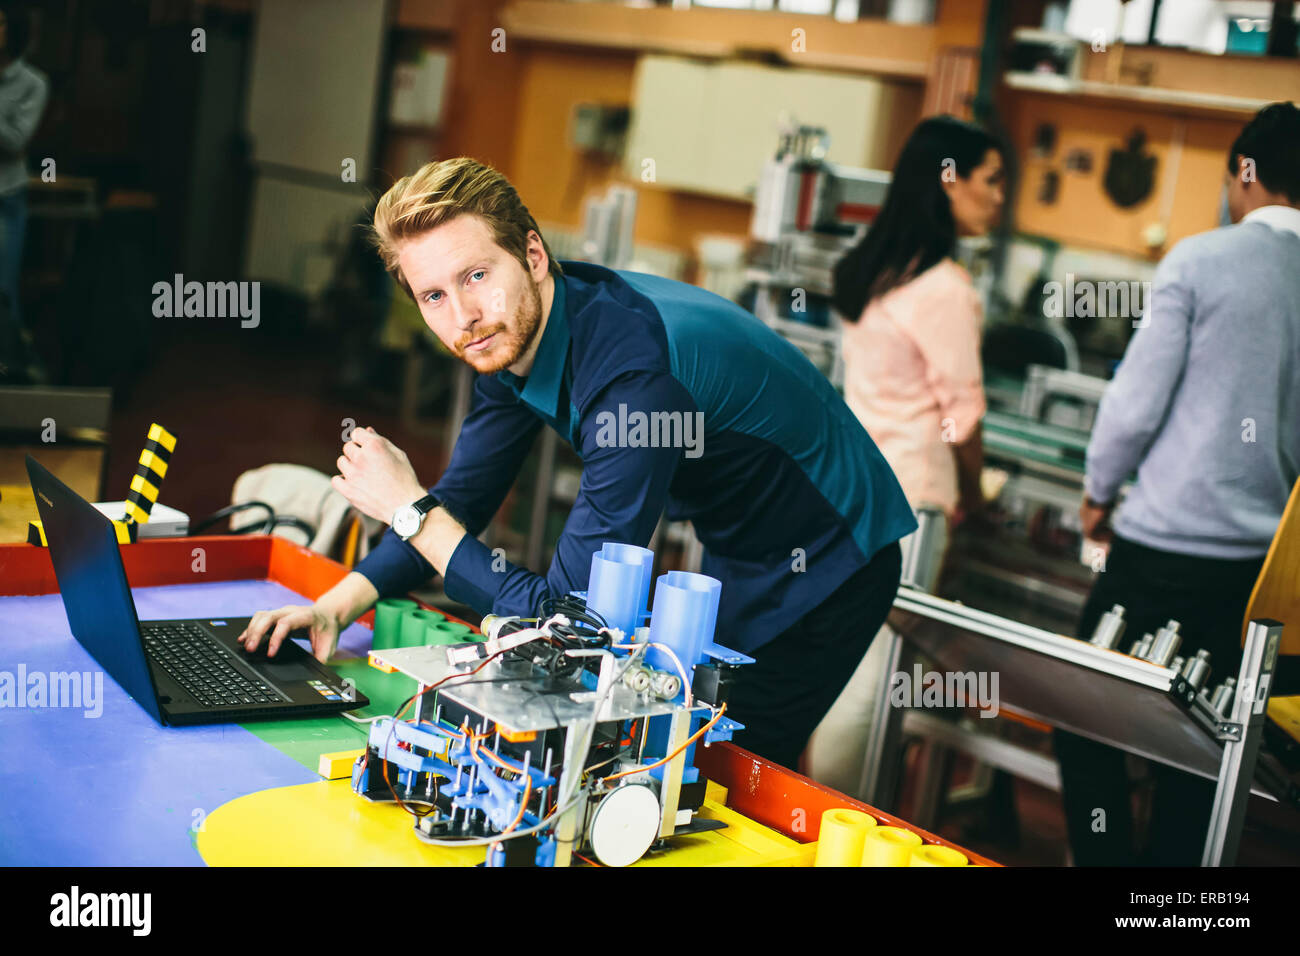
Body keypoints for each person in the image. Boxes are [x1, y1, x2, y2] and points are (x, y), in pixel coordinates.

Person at [239, 157, 917, 771]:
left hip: (832, 558)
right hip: (736, 543)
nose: (465, 317)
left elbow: (568, 619)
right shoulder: (510, 338)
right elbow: (466, 499)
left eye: (477, 275)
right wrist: (335, 605)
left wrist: (410, 512)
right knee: (675, 742)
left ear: (532, 254)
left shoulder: (635, 382)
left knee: (711, 768)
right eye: (434, 296)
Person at [1057, 101, 1300, 866]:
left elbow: (1134, 402)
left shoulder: (1201, 260)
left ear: (1245, 173)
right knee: (1204, 751)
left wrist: (1098, 492)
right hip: (1265, 583)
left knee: (1085, 718)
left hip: (1162, 553)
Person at [806, 116, 1005, 792]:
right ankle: (838, 817)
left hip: (853, 488)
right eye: (992, 180)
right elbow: (963, 415)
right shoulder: (944, 286)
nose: (999, 197)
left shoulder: (876, 268)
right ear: (949, 183)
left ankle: (839, 805)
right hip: (913, 501)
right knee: (878, 666)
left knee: (850, 653)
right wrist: (976, 496)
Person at [0, 3, 47, 382]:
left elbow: (15, 141)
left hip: (5, 198)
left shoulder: (33, 83)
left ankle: (11, 376)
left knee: (2, 290)